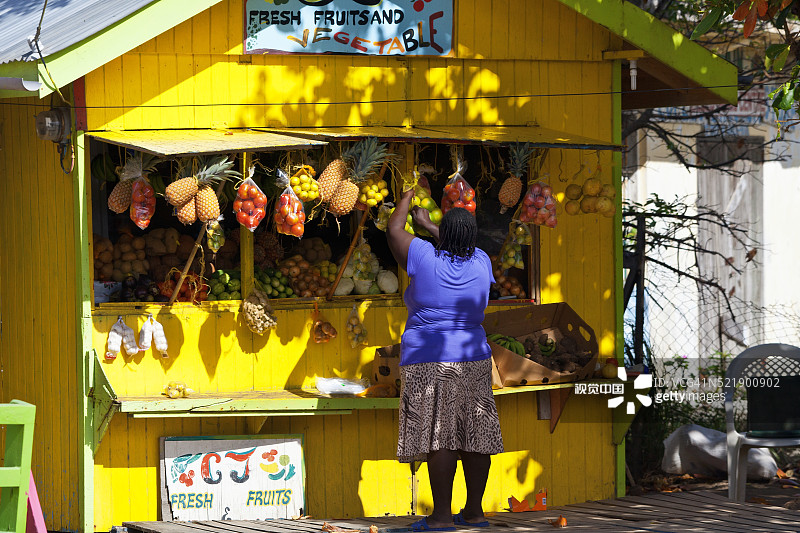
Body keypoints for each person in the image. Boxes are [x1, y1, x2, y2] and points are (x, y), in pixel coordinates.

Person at [386, 187, 503, 532]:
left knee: (441, 436)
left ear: (442, 236)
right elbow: (459, 244)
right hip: (474, 358)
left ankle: (440, 517)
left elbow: (393, 230)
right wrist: (441, 229)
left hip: (428, 357)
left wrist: (408, 202)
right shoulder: (482, 260)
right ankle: (475, 513)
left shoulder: (423, 256)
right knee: (476, 432)